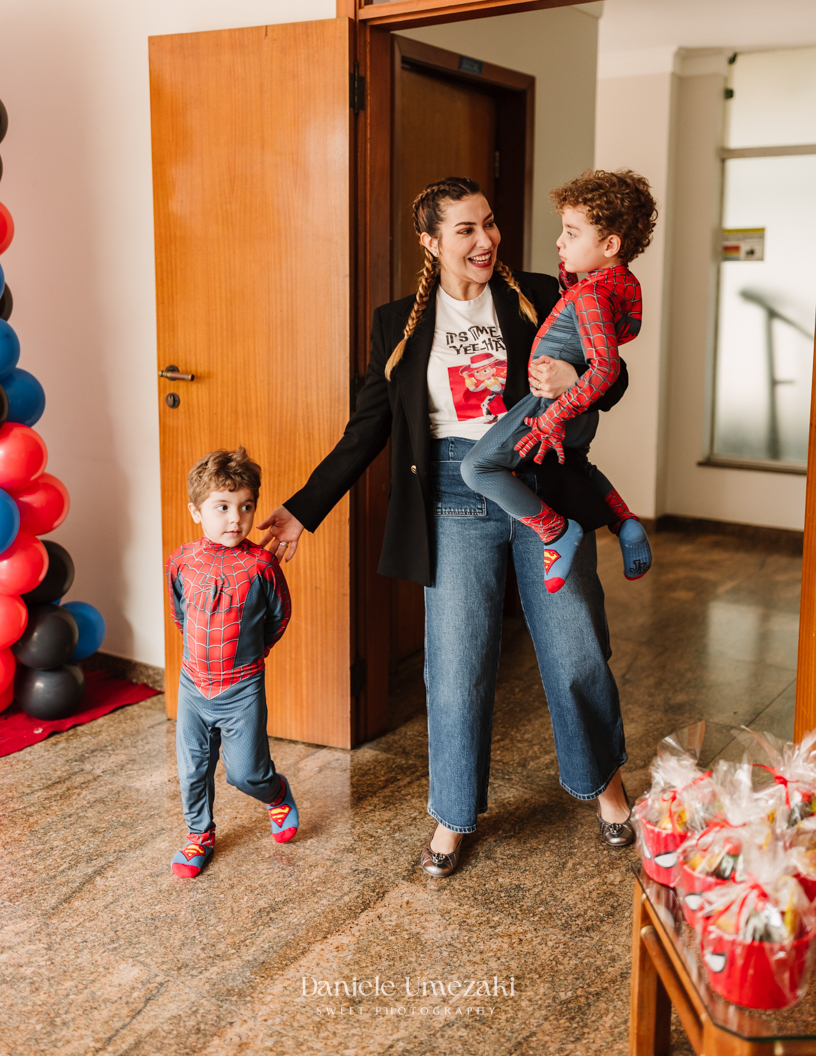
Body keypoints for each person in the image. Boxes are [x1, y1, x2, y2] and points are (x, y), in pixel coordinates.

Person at [258, 177, 635, 878]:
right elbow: (367, 430)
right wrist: (304, 508)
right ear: (431, 242)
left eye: (489, 223)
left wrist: (573, 379)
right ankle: (453, 813)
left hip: (541, 484)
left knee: (576, 648)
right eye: (465, 230)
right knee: (456, 668)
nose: (486, 240)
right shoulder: (396, 324)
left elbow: (611, 374)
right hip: (456, 498)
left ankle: (604, 786)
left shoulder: (540, 295)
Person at [462, 169, 655, 593]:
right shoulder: (618, 284)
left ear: (610, 245)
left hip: (551, 406)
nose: (559, 242)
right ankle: (624, 521)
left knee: (477, 467)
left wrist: (552, 417)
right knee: (578, 465)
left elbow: (605, 369)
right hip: (579, 412)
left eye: (571, 232)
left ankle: (554, 532)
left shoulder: (591, 294)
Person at [166, 447, 298, 879]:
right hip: (193, 685)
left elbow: (279, 617)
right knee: (192, 769)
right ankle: (198, 835)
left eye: (245, 507)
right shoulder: (181, 561)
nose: (235, 519)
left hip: (242, 688)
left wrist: (251, 654)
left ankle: (276, 794)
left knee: (245, 773)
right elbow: (180, 613)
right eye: (221, 507)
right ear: (196, 512)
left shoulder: (262, 566)